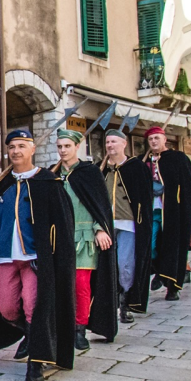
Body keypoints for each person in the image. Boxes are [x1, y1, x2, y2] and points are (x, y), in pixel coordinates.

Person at [0, 130, 77, 381]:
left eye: (22, 146)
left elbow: (62, 224)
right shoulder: (1, 184)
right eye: (12, 147)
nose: (16, 151)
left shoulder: (48, 182)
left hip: (36, 258)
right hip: (6, 256)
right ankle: (31, 335)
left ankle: (36, 362)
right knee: (6, 306)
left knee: (32, 306)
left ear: (32, 149)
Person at [52, 129, 116, 350]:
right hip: (59, 237)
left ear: (77, 147)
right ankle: (63, 325)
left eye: (67, 146)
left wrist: (100, 229)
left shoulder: (89, 172)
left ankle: (79, 328)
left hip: (84, 236)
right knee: (61, 284)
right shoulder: (53, 173)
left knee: (81, 284)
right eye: (59, 146)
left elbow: (100, 204)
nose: (63, 150)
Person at [102, 129, 154, 323]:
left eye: (114, 141)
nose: (110, 145)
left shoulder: (136, 167)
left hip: (129, 223)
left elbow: (145, 197)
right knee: (108, 265)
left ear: (124, 144)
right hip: (106, 225)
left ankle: (125, 304)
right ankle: (109, 303)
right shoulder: (102, 168)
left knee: (125, 264)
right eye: (107, 142)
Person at [145, 128, 191, 300]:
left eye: (156, 138)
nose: (153, 142)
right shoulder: (145, 161)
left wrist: (186, 210)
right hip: (152, 211)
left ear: (164, 139)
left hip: (173, 212)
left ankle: (172, 287)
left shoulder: (178, 159)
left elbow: (188, 186)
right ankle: (159, 271)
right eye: (150, 139)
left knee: (173, 247)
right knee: (150, 246)